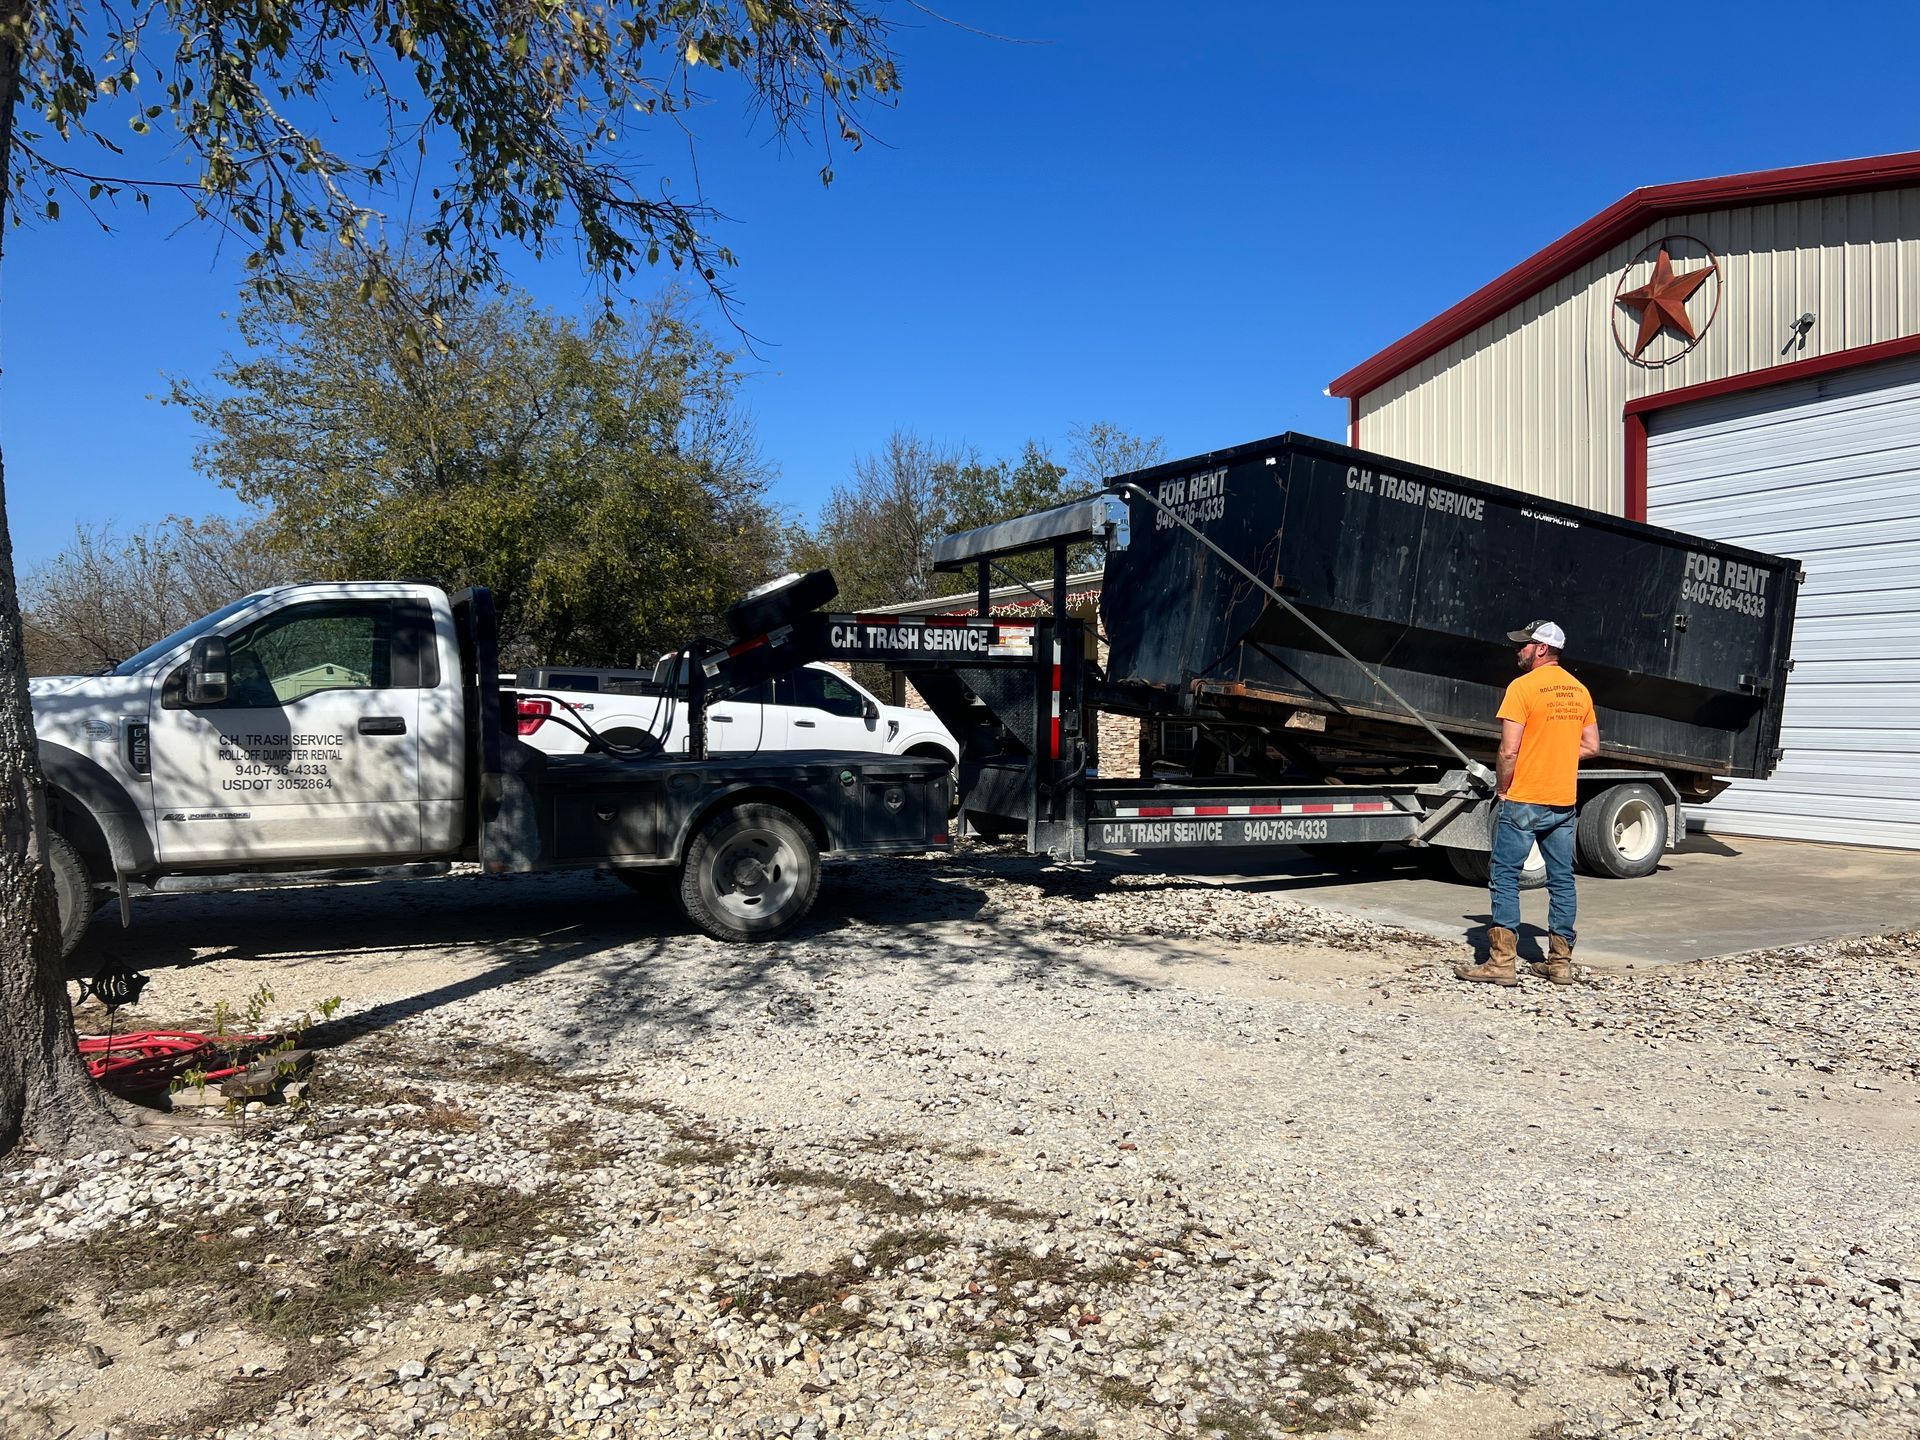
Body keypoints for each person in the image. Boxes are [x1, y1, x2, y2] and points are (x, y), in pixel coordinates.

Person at [1455, 620, 1600, 988]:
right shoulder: (1579, 691)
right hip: (1563, 801)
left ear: (1540, 649)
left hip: (1524, 798)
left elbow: (1508, 750)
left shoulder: (1522, 688)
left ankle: (1502, 963)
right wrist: (1556, 756)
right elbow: (1591, 747)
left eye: (1523, 645)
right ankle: (1560, 964)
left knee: (1504, 876)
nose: (1517, 650)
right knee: (1562, 880)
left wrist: (1504, 788)